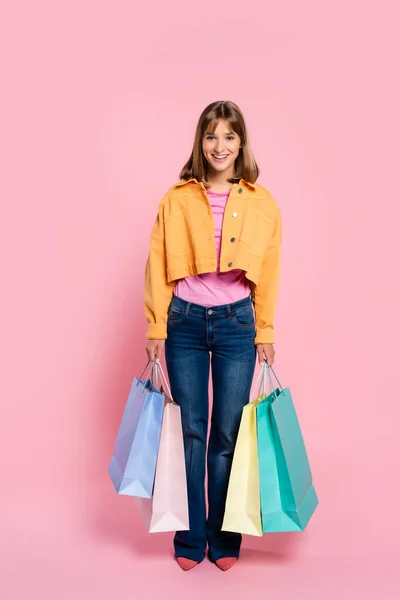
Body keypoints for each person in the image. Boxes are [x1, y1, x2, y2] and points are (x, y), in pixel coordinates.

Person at [143, 100, 282, 571]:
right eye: (210, 136)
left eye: (228, 136)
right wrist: (155, 324)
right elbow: (158, 264)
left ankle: (224, 538)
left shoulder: (262, 203)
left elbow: (271, 273)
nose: (219, 146)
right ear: (199, 143)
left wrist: (265, 331)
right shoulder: (176, 198)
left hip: (237, 325)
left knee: (226, 434)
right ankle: (189, 536)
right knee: (189, 432)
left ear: (241, 142)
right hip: (183, 321)